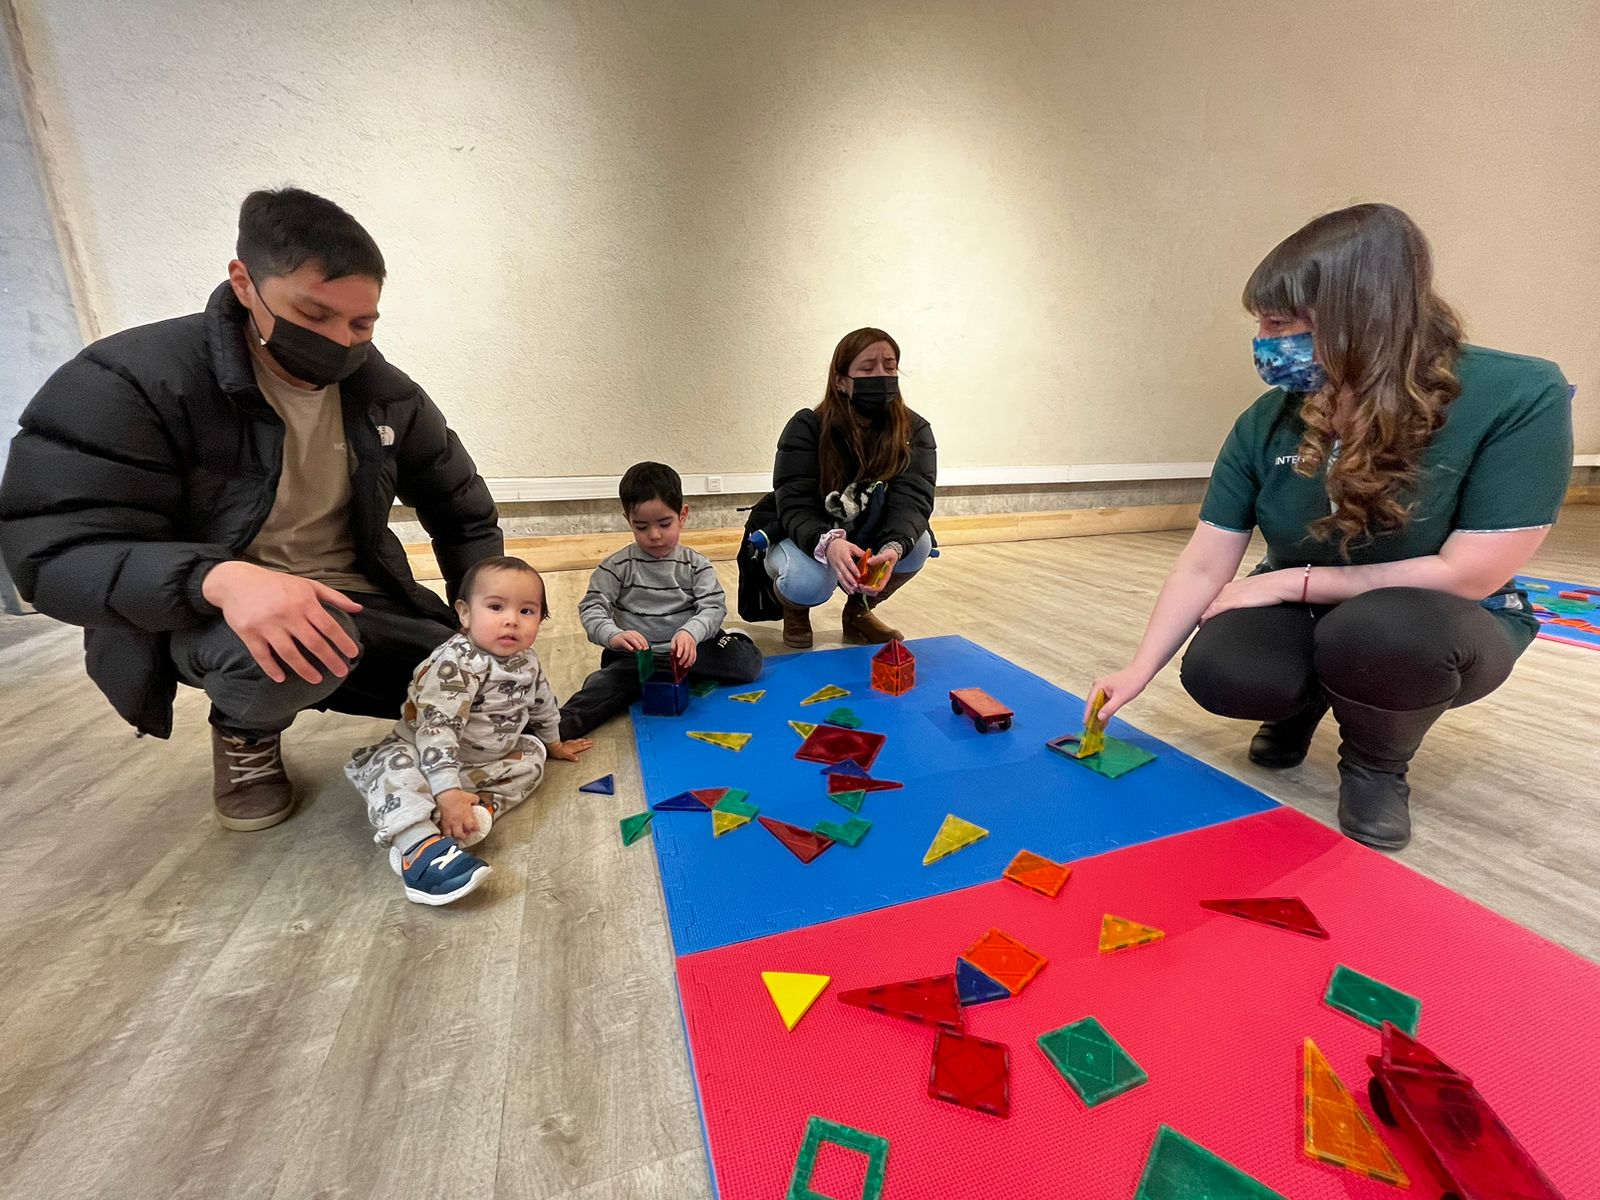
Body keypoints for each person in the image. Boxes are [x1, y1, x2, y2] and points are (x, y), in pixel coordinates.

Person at [0, 188, 501, 832]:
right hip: (203, 608)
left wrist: (483, 617)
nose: (339, 342)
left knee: (482, 692)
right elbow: (50, 555)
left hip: (351, 598)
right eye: (312, 315)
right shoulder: (128, 381)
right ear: (244, 282)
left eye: (361, 325)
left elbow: (464, 512)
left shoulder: (384, 394)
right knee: (305, 646)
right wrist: (221, 578)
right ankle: (245, 734)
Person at [1089, 203, 1573, 852]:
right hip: (1306, 598)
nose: (1264, 339)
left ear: (1361, 315)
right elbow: (1206, 562)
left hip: (1442, 615)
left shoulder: (1518, 392)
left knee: (1381, 631)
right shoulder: (1268, 419)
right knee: (1225, 669)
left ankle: (1376, 764)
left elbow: (1470, 572)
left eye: (1280, 321)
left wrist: (1296, 582)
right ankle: (1305, 700)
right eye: (1261, 320)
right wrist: (1138, 669)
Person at [345, 556, 590, 905]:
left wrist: (553, 742)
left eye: (527, 611)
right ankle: (418, 846)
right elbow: (437, 729)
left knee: (532, 755)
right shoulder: (456, 662)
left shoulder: (527, 660)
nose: (511, 620)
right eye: (495, 607)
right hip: (424, 756)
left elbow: (542, 703)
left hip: (476, 765)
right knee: (391, 764)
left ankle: (471, 816)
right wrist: (445, 791)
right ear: (464, 614)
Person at [758, 327, 937, 649]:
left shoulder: (915, 430)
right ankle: (795, 611)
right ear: (841, 380)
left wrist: (894, 547)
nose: (881, 375)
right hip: (805, 531)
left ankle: (858, 612)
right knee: (810, 581)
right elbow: (794, 502)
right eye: (867, 369)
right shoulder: (807, 427)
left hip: (865, 530)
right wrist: (828, 543)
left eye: (890, 366)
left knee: (917, 544)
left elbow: (913, 499)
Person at [558, 462, 762, 738]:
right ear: (627, 519)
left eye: (664, 524)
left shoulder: (695, 564)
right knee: (599, 690)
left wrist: (691, 633)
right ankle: (554, 729)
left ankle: (736, 640)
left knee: (746, 665)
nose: (654, 535)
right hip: (638, 658)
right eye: (641, 526)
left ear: (683, 515)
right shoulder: (616, 567)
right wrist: (614, 636)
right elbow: (592, 607)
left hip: (692, 649)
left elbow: (713, 607)